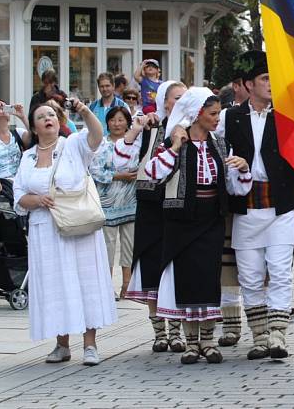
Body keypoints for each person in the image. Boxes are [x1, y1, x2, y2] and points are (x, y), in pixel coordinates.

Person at [144, 87, 252, 365]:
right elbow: (152, 174)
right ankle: (192, 344)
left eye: (218, 113)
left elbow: (233, 187)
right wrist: (176, 146)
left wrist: (242, 168)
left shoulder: (218, 143)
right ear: (197, 114)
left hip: (211, 217)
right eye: (213, 114)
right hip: (181, 220)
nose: (218, 118)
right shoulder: (173, 141)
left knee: (208, 278)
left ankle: (208, 341)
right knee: (187, 279)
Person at [14, 99, 116, 365]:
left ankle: (90, 345)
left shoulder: (72, 145)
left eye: (51, 115)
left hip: (77, 225)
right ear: (34, 128)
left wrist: (83, 110)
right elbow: (19, 196)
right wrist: (36, 201)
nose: (48, 118)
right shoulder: (28, 157)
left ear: (58, 121)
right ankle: (61, 344)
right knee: (54, 284)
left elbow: (96, 136)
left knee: (85, 281)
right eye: (41, 117)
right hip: (45, 230)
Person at [217, 50, 294, 360]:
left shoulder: (287, 116)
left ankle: (279, 335)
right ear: (248, 84)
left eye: (273, 79)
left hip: (280, 204)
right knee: (250, 276)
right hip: (245, 207)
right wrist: (232, 165)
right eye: (266, 79)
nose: (271, 84)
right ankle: (260, 336)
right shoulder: (229, 117)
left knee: (280, 272)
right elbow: (214, 153)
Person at [122, 80, 187, 353]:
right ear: (164, 101)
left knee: (174, 269)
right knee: (151, 267)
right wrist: (137, 129)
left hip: (178, 208)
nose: (180, 104)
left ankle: (176, 332)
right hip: (150, 207)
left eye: (185, 98)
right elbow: (126, 160)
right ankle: (159, 332)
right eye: (175, 99)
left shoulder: (193, 132)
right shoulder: (151, 128)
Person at [89, 107, 138, 299]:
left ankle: (128, 285)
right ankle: (106, 287)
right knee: (107, 246)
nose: (117, 124)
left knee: (129, 245)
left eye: (121, 120)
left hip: (131, 200)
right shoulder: (101, 144)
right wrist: (118, 175)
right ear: (107, 122)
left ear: (128, 122)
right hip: (107, 202)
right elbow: (94, 170)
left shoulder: (135, 142)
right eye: (113, 120)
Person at [0, 102, 30, 180]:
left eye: (4, 107)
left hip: (19, 184)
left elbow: (38, 138)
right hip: (2, 186)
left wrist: (23, 117)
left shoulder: (18, 133)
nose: (1, 110)